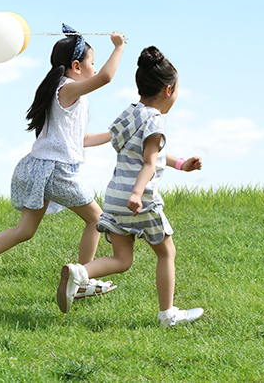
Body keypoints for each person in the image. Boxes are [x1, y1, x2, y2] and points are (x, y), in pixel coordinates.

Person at [0, 27, 126, 300]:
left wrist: (117, 134)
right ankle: (82, 279)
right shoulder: (68, 89)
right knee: (98, 220)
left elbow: (82, 139)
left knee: (25, 230)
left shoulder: (66, 94)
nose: (94, 68)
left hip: (37, 167)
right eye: (91, 62)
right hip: (56, 170)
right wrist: (118, 47)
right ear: (76, 66)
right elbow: (106, 77)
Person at [56, 46, 204, 327]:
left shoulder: (132, 112)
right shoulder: (156, 121)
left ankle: (79, 272)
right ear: (169, 90)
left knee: (121, 259)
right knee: (166, 252)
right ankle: (167, 315)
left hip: (114, 196)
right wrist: (138, 193)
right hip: (140, 199)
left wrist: (181, 164)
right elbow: (149, 162)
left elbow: (141, 151)